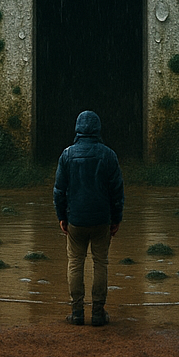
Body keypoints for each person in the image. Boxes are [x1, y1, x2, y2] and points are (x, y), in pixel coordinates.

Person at [52, 109, 125, 326]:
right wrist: (116, 218)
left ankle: (76, 313)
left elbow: (59, 190)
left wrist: (62, 216)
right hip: (102, 219)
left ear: (77, 129)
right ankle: (98, 313)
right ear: (97, 130)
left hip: (76, 219)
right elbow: (117, 191)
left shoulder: (67, 154)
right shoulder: (109, 155)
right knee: (100, 262)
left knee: (75, 262)